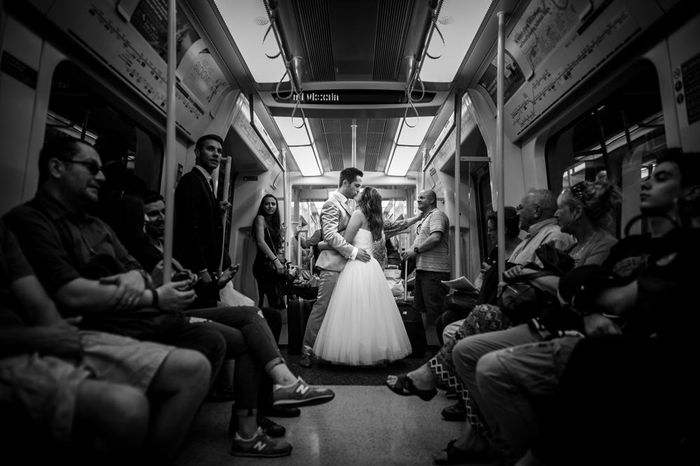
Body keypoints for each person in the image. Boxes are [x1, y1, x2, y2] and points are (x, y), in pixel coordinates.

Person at [480, 150, 700, 466]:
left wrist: (552, 282)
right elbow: (613, 296)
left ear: (691, 192)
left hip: (649, 354)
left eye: (661, 178)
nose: (648, 184)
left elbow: (619, 299)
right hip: (569, 319)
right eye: (649, 177)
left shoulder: (643, 251)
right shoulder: (644, 253)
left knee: (589, 355)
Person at [432, 183, 620, 465]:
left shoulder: (596, 246)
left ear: (577, 212)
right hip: (544, 317)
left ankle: (507, 445)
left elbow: (573, 292)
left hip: (560, 324)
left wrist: (530, 275)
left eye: (561, 208)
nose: (557, 214)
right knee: (462, 340)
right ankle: (480, 425)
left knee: (478, 330)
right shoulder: (574, 243)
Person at [0, 220, 210, 466]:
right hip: (24, 342)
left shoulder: (101, 227)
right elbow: (73, 294)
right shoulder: (34, 223)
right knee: (127, 407)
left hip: (54, 330)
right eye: (153, 213)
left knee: (195, 366)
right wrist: (153, 294)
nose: (99, 178)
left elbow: (39, 305)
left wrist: (60, 338)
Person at [312, 187, 412, 365]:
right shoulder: (377, 220)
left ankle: (353, 351)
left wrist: (321, 245)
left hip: (357, 263)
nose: (357, 192)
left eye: (360, 191)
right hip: (371, 265)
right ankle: (374, 351)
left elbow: (346, 241)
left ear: (364, 198)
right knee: (373, 310)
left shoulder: (358, 214)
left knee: (352, 309)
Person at [299, 167, 372, 368]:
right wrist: (354, 252)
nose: (358, 190)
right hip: (332, 264)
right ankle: (306, 350)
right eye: (356, 185)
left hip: (349, 267)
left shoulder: (353, 204)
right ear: (345, 183)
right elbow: (329, 234)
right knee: (322, 308)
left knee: (343, 311)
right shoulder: (332, 204)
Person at [173, 133, 231, 308]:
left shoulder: (205, 183)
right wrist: (202, 269)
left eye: (219, 151)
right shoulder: (191, 181)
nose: (216, 154)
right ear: (197, 152)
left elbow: (202, 215)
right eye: (210, 149)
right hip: (195, 270)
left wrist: (215, 208)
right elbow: (190, 227)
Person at [400, 189, 451, 332]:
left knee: (435, 311)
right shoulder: (425, 219)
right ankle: (424, 344)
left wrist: (415, 251)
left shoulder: (437, 215)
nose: (419, 200)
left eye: (422, 198)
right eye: (418, 198)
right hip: (423, 270)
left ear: (432, 200)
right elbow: (421, 240)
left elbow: (435, 238)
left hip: (435, 271)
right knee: (420, 309)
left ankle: (440, 346)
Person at [252, 194, 287, 309]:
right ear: (262, 206)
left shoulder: (274, 222)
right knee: (268, 300)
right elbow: (261, 242)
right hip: (263, 265)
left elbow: (276, 246)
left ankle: (272, 324)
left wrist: (282, 234)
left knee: (275, 300)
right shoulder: (260, 218)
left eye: (273, 204)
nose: (270, 206)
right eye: (267, 204)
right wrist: (276, 261)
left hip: (271, 265)